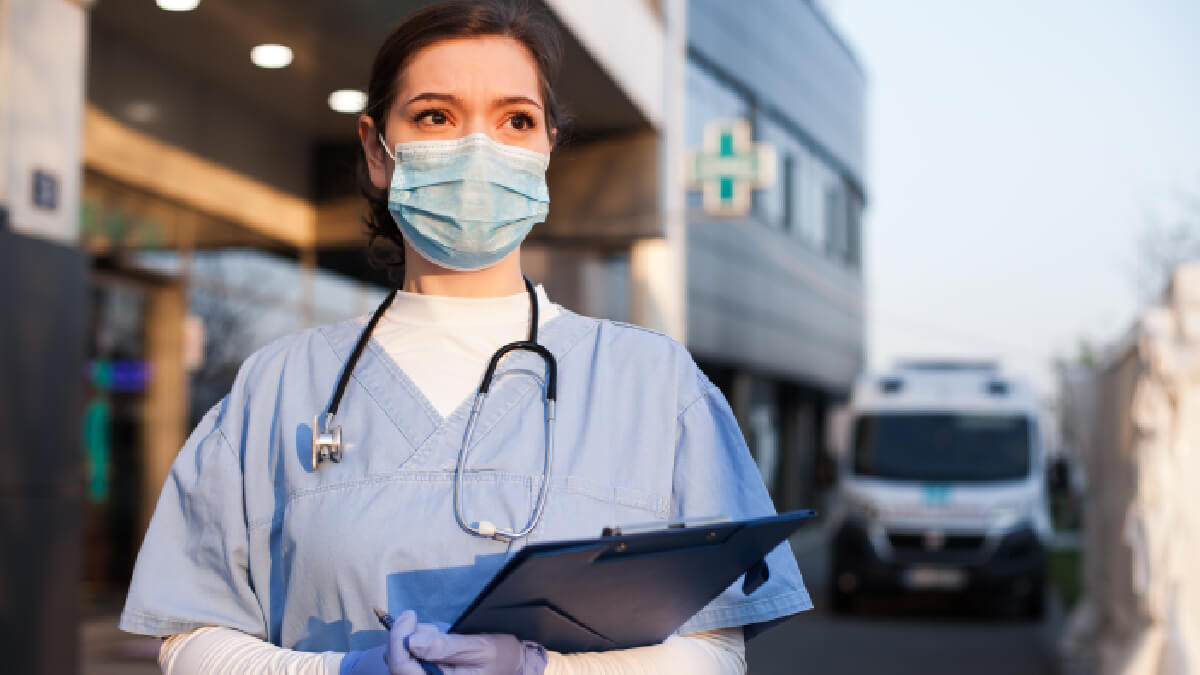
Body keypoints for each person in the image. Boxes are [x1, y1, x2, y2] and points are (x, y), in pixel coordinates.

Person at [119, 2, 811, 673]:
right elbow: (192, 636)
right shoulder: (277, 387)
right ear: (377, 152)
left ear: (546, 150)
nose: (478, 148)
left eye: (516, 119)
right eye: (436, 116)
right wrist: (343, 671)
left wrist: (543, 670)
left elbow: (716, 652)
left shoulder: (658, 386)